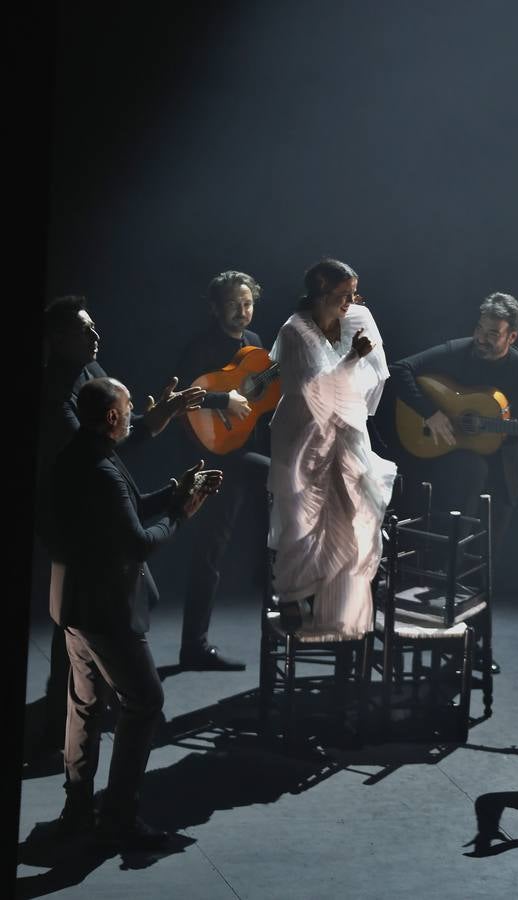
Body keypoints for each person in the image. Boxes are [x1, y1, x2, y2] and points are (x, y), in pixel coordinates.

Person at [48, 376, 222, 848]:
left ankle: (78, 806)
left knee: (83, 707)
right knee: (144, 702)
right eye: (129, 410)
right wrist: (183, 512)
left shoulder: (80, 455)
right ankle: (118, 818)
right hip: (107, 609)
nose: (134, 417)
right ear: (111, 417)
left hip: (74, 604)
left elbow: (123, 512)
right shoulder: (104, 469)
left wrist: (172, 492)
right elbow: (138, 543)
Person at [33, 295, 205, 752]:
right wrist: (178, 508)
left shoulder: (91, 371)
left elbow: (111, 433)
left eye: (94, 327)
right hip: (70, 519)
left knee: (87, 626)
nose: (96, 335)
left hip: (97, 500)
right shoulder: (54, 395)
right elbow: (93, 452)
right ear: (56, 339)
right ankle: (61, 723)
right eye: (84, 330)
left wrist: (154, 418)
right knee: (78, 623)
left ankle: (92, 711)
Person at [387, 293, 518, 672]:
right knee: (446, 559)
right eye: (480, 328)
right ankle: (436, 638)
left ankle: (476, 649)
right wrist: (433, 412)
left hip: (499, 482)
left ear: (513, 338)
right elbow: (399, 369)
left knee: (480, 567)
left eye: (494, 333)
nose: (482, 337)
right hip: (450, 478)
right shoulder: (457, 351)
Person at [267, 258, 396, 635]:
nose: (350, 301)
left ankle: (336, 599)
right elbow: (315, 392)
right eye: (343, 295)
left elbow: (376, 375)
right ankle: (291, 596)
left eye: (354, 293)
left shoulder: (357, 318)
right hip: (302, 436)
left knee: (352, 514)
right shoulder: (295, 333)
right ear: (319, 295)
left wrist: (360, 361)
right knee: (302, 521)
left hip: (344, 432)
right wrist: (353, 357)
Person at [174, 270, 270, 670]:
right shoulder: (200, 348)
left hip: (239, 450)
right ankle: (193, 647)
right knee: (210, 550)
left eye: (247, 304)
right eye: (233, 304)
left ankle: (278, 588)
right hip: (210, 456)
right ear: (215, 308)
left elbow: (259, 396)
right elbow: (180, 399)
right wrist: (222, 400)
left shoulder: (256, 346)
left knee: (280, 484)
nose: (242, 312)